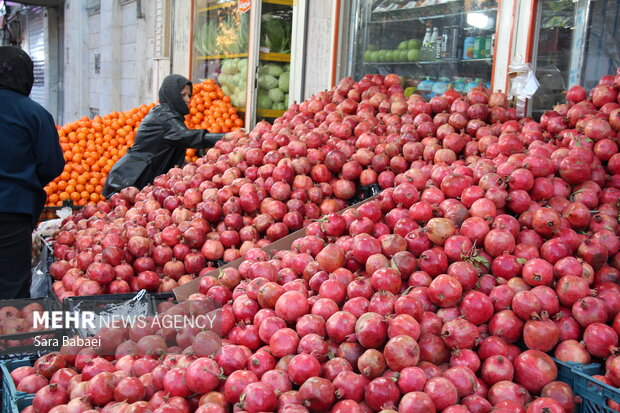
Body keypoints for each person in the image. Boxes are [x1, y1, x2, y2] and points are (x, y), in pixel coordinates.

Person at [0, 46, 65, 299]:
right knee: (12, 286)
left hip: (15, 206)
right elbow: (52, 164)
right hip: (13, 211)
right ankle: (11, 336)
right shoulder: (34, 114)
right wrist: (25, 181)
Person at [103, 74, 224, 197]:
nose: (188, 99)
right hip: (129, 179)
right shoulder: (164, 117)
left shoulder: (169, 114)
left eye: (189, 95)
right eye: (183, 95)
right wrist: (226, 137)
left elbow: (170, 145)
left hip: (140, 177)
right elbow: (187, 137)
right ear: (172, 94)